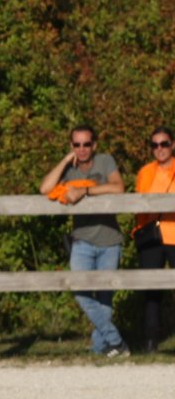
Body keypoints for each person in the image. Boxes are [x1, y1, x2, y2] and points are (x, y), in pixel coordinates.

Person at [42, 125, 127, 356]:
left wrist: (86, 191)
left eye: (86, 144)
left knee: (104, 298)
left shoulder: (105, 161)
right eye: (76, 144)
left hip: (110, 240)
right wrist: (65, 160)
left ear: (94, 145)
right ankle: (117, 342)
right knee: (79, 290)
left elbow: (119, 187)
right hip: (81, 242)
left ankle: (100, 350)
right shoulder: (69, 170)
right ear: (71, 146)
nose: (82, 149)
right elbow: (45, 188)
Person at [133, 127, 175, 352]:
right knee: (151, 291)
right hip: (151, 236)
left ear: (172, 145)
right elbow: (139, 202)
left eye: (164, 144)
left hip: (174, 236)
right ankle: (150, 341)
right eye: (155, 145)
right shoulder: (145, 171)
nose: (159, 149)